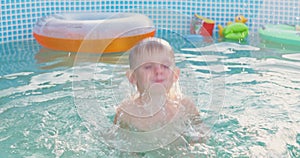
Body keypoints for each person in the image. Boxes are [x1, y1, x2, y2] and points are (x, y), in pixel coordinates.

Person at [113, 37, 200, 133]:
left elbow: (201, 133)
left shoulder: (185, 106)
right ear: (132, 77)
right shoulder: (126, 112)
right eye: (148, 67)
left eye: (165, 66)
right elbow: (113, 140)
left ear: (175, 75)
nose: (158, 71)